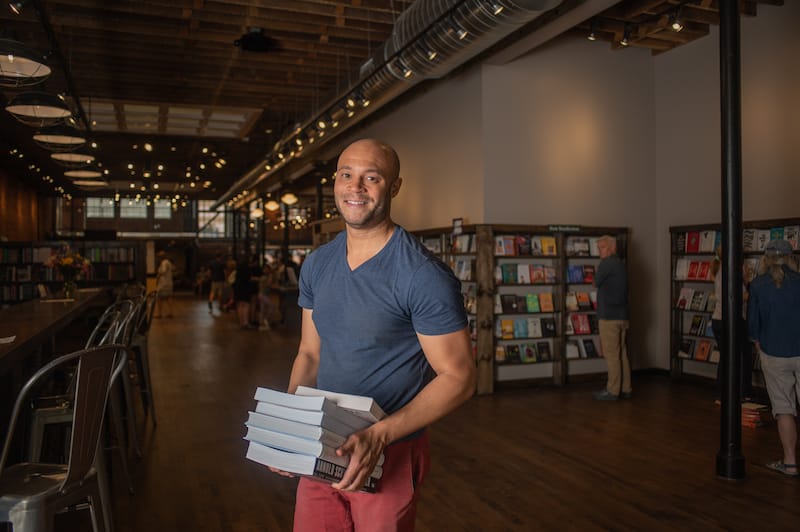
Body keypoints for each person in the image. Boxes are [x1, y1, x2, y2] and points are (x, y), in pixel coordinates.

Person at [277, 138, 475, 531]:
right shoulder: (317, 264)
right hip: (324, 442)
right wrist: (291, 425)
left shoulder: (422, 276)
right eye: (347, 175)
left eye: (372, 178)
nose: (356, 187)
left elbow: (460, 377)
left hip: (391, 449)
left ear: (394, 187)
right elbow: (310, 354)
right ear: (335, 181)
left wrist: (379, 436)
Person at [747, 239, 800, 477]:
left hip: (773, 351)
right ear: (791, 258)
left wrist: (759, 343)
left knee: (784, 409)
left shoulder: (757, 285)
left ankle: (790, 463)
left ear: (766, 259)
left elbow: (753, 325)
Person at [710, 246, 753, 401]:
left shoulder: (721, 270)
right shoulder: (729, 271)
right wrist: (749, 285)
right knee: (743, 354)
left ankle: (722, 393)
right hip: (729, 319)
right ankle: (742, 393)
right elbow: (739, 297)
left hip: (719, 319)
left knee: (727, 356)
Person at [593, 235, 631, 400]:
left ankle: (613, 390)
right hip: (623, 316)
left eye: (603, 247)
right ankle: (626, 388)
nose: (599, 250)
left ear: (612, 248)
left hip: (609, 317)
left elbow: (595, 282)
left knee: (612, 355)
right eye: (599, 247)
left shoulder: (606, 263)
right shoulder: (620, 263)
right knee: (622, 353)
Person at [154, 250, 174, 318]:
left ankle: (159, 313)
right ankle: (170, 312)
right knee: (169, 298)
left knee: (159, 298)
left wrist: (158, 274)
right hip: (169, 282)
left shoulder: (164, 263)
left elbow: (163, 271)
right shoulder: (168, 262)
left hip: (163, 283)